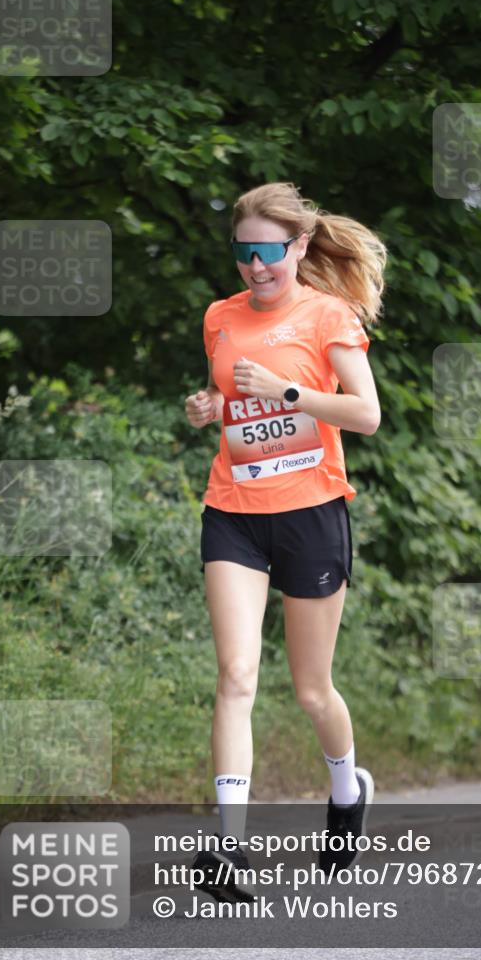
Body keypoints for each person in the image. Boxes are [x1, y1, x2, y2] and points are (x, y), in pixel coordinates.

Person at [184, 181, 387, 902]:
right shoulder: (219, 316)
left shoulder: (327, 313)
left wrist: (285, 392)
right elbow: (228, 397)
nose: (254, 266)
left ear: (298, 247)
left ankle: (345, 786)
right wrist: (212, 405)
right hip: (233, 509)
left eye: (267, 251)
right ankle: (229, 848)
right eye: (242, 252)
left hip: (310, 514)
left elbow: (365, 414)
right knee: (236, 674)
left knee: (309, 689)